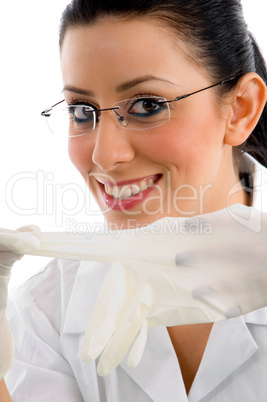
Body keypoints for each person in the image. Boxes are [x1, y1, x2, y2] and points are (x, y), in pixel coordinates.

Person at [1, 0, 267, 400]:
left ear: (240, 110)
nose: (104, 156)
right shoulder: (47, 307)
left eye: (147, 106)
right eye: (82, 110)